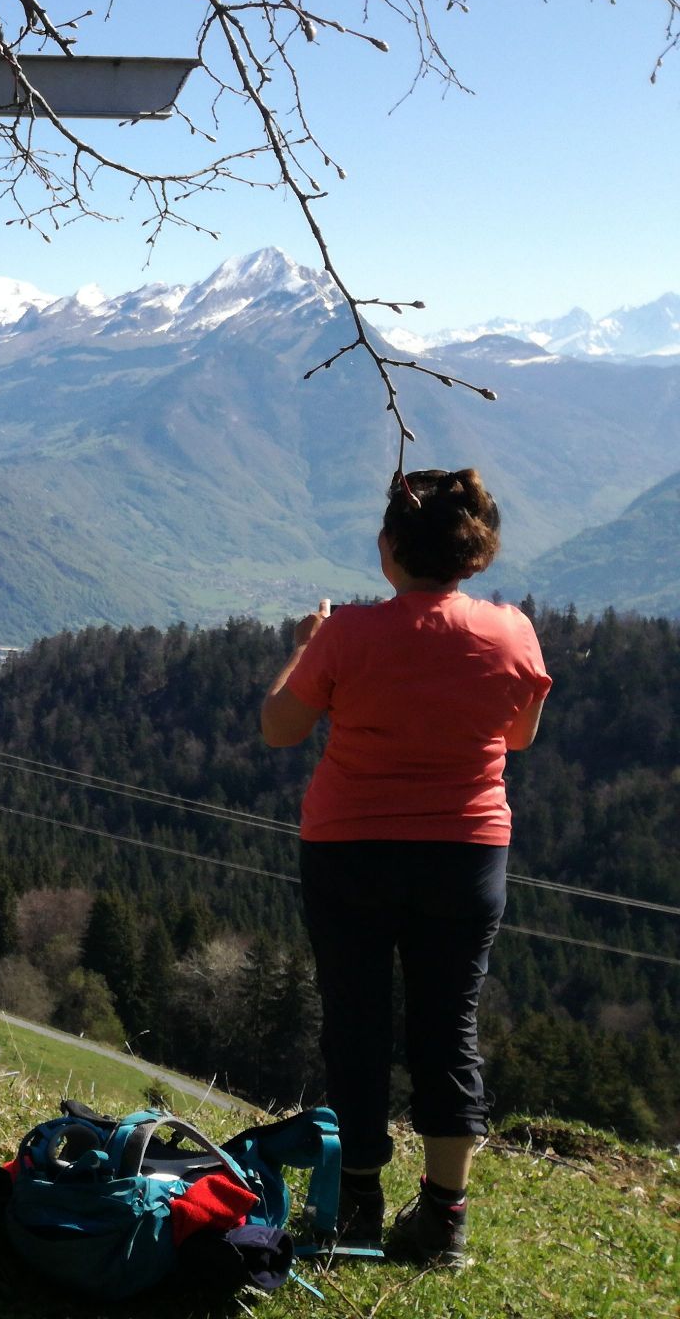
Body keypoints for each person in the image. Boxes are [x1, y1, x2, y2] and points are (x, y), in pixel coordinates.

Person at [259, 469, 549, 1269]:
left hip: (349, 848)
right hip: (466, 851)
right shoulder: (512, 633)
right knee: (448, 1026)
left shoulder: (346, 635)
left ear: (390, 548)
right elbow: (518, 737)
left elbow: (280, 728)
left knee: (355, 1020)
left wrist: (302, 650)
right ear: (474, 552)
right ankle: (444, 1222)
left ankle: (357, 1201)